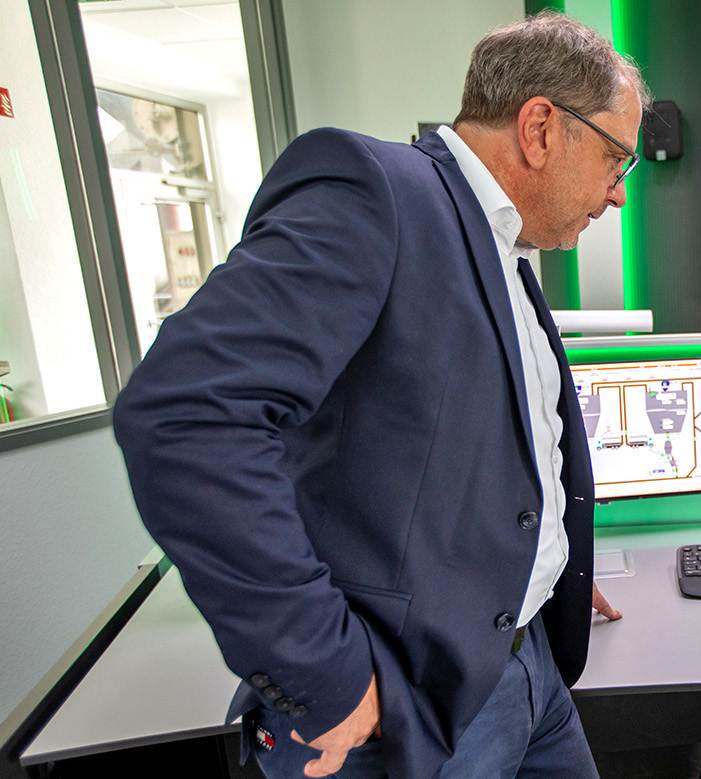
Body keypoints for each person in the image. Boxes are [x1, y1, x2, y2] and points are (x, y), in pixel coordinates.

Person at [112, 12, 646, 779]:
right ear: (539, 128)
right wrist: (319, 670)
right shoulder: (378, 192)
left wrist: (536, 561)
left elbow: (449, 446)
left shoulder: (502, 248)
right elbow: (186, 415)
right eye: (616, 160)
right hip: (411, 709)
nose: (617, 194)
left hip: (529, 668)